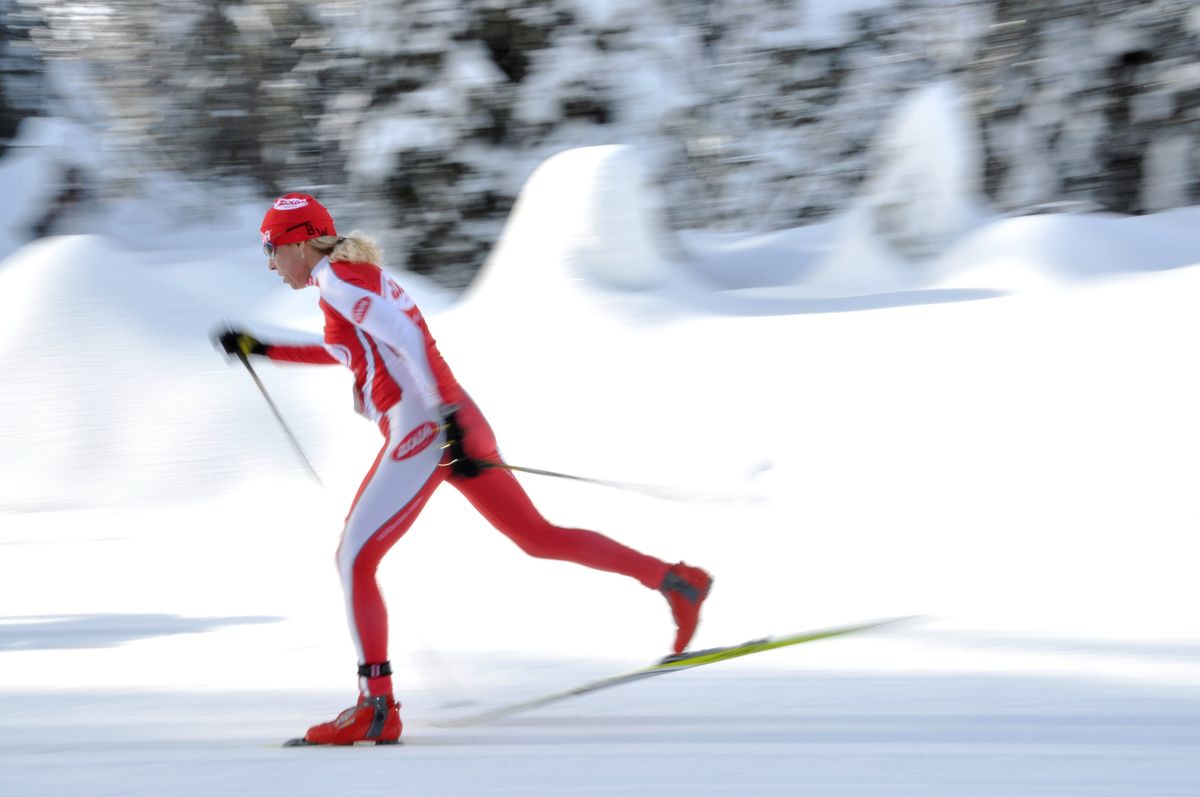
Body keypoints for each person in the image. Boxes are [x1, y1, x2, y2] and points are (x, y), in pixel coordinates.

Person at [214, 193, 712, 746]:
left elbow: (407, 342)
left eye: (272, 247)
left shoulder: (338, 281)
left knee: (354, 558)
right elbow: (354, 352)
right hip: (451, 418)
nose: (269, 261)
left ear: (301, 242)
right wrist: (266, 349)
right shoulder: (348, 280)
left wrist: (443, 415)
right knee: (538, 537)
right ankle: (675, 582)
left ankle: (375, 707)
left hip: (426, 426)